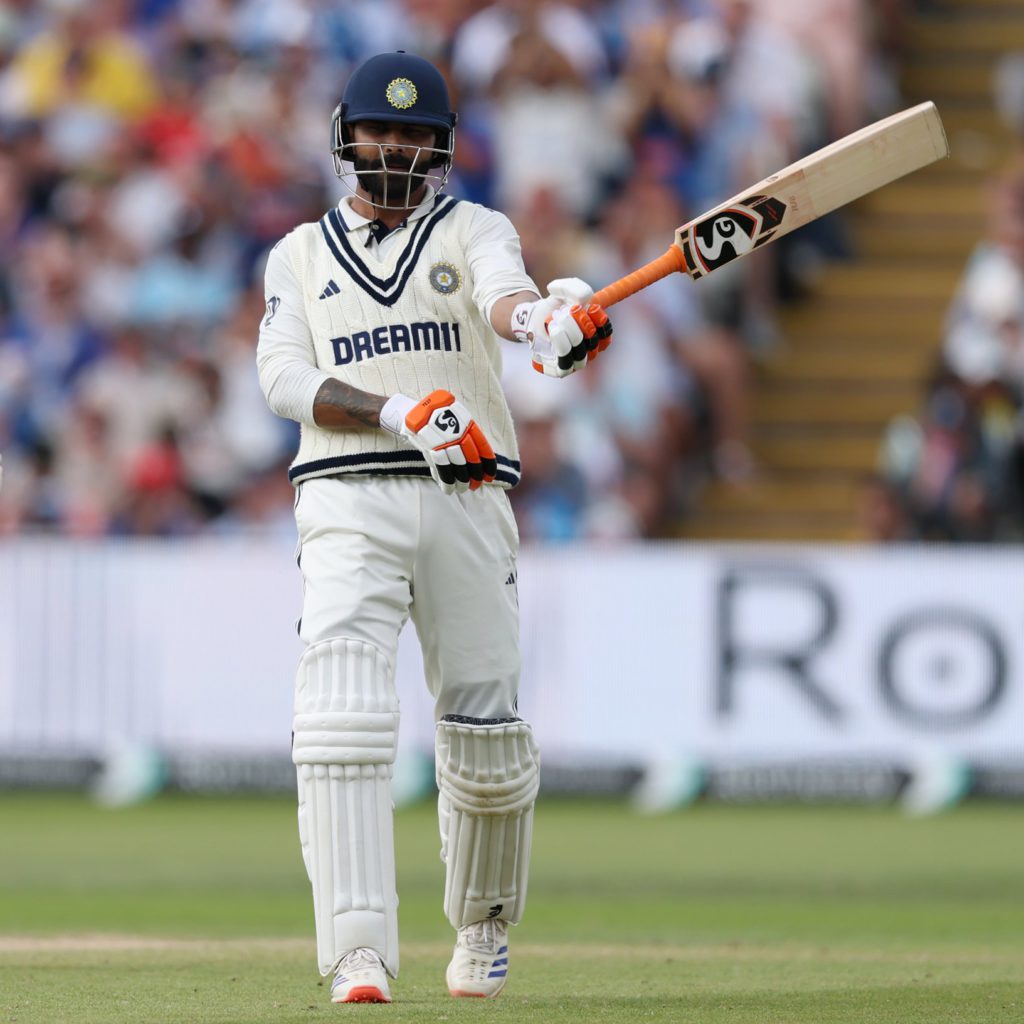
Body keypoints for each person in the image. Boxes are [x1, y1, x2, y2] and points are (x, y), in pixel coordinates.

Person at [255, 51, 614, 1004]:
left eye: (419, 136)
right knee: (340, 717)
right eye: (384, 131)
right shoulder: (296, 253)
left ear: (445, 147)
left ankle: (483, 925)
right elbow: (283, 379)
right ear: (347, 137)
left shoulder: (475, 228)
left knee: (486, 735)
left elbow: (504, 298)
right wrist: (394, 413)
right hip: (347, 495)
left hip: (467, 495)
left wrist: (546, 320)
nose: (400, 150)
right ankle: (358, 949)